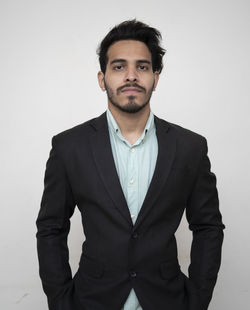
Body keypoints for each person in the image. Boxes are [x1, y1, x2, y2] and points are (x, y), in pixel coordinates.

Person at [36, 19, 225, 310]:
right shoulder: (68, 147)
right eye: (119, 66)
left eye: (143, 67)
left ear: (155, 78)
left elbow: (208, 227)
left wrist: (197, 299)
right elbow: (51, 228)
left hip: (168, 300)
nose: (131, 76)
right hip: (92, 300)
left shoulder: (190, 147)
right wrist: (61, 302)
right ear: (102, 78)